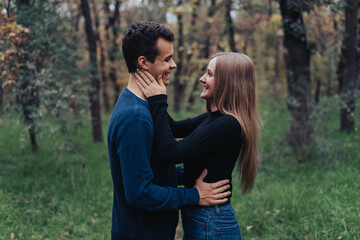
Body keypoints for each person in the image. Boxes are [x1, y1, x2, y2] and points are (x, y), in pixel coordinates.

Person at [107, 22, 231, 240]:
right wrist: (193, 195)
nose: (173, 65)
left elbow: (152, 167)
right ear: (143, 63)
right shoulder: (136, 117)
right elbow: (140, 192)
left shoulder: (139, 106)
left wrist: (192, 178)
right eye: (167, 59)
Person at [135, 52, 260, 239]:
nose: (202, 78)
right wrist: (152, 95)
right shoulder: (214, 119)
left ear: (228, 82)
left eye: (209, 74)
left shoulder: (227, 125)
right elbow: (175, 128)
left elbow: (170, 153)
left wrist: (158, 100)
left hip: (211, 221)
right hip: (206, 218)